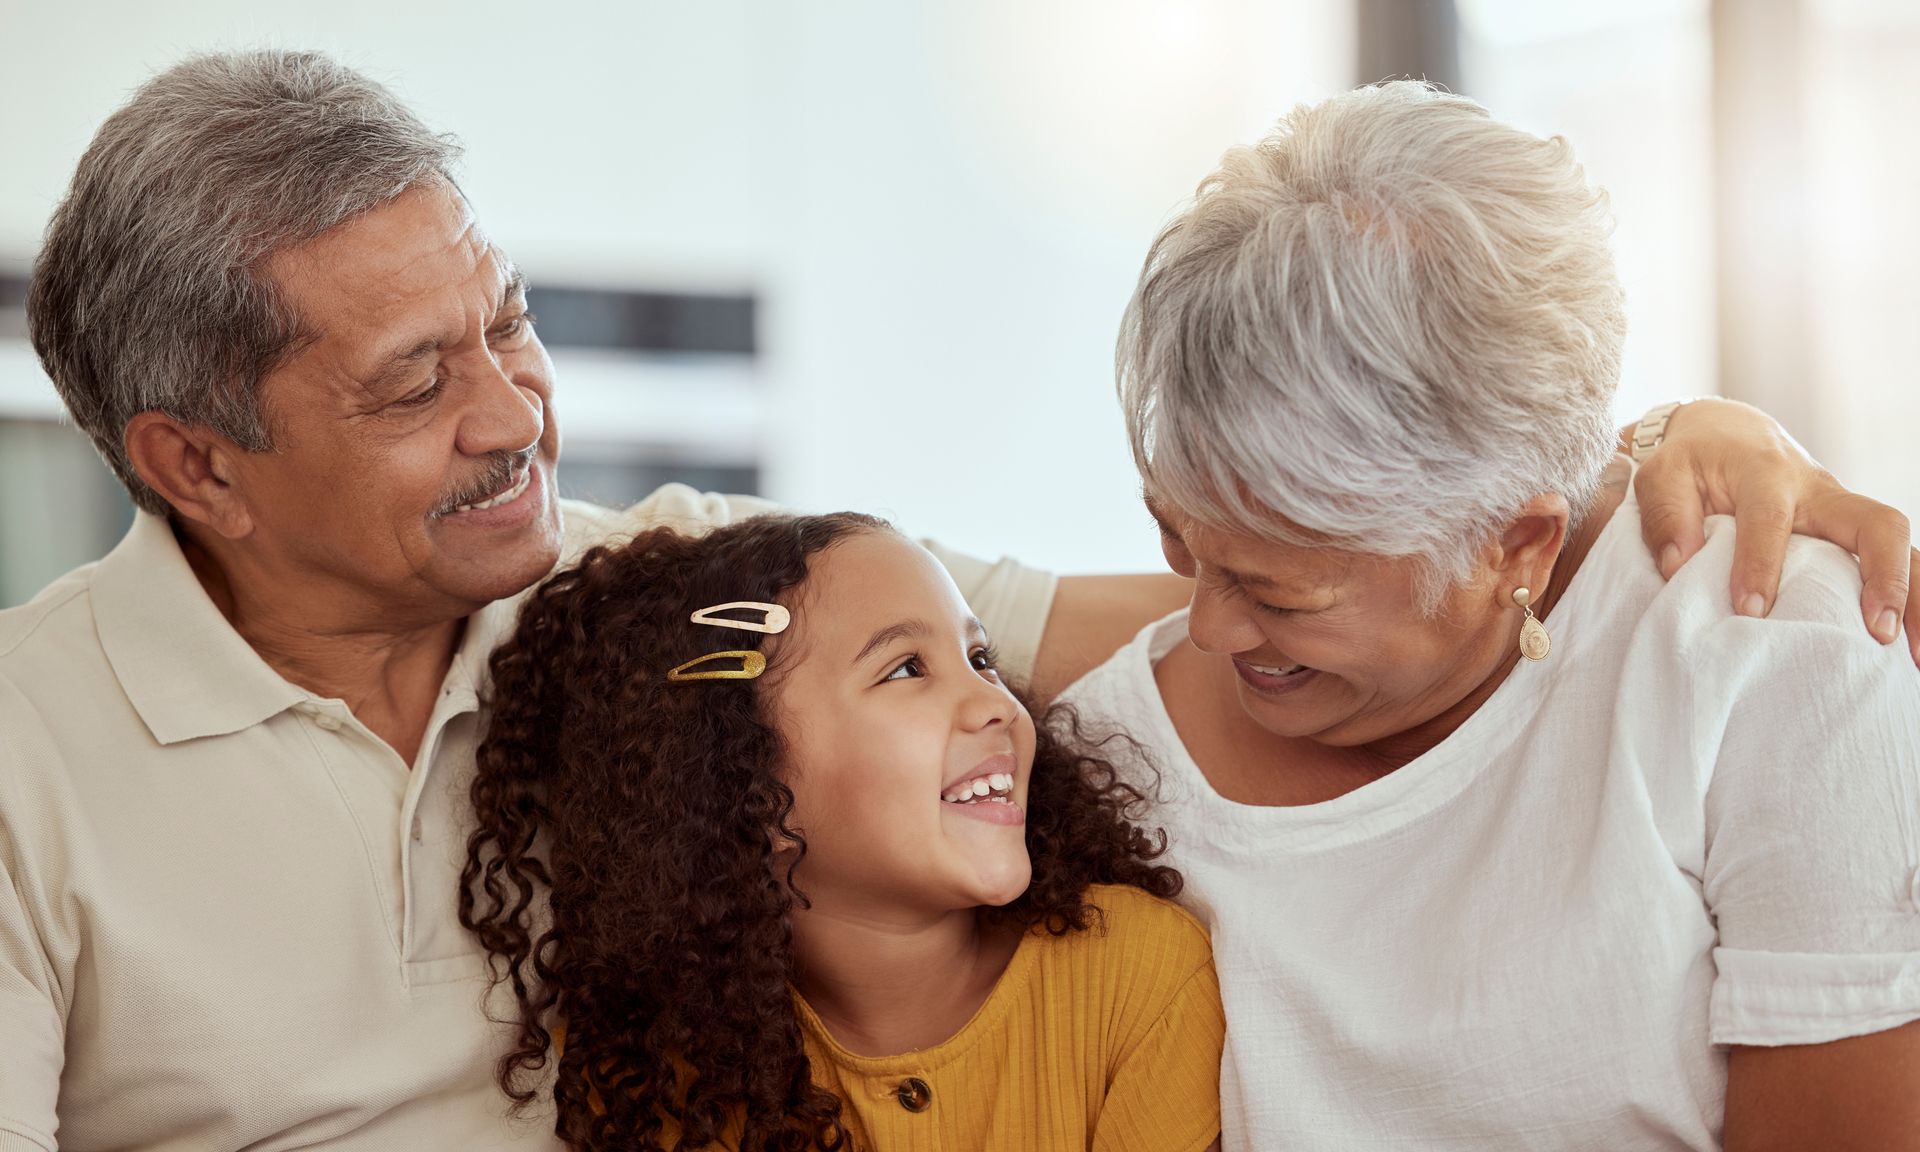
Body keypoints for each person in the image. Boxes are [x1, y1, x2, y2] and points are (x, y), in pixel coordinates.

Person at [0, 49, 1908, 1152]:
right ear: (192, 460)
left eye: (509, 323)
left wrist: (1665, 435)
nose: (517, 418)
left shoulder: (678, 598)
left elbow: (1234, 602)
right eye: (418, 384)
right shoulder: (30, 753)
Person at [1051, 80, 1920, 1150]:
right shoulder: (1099, 758)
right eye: (1180, 545)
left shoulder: (1770, 652)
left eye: (1279, 595)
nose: (1211, 628)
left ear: (1519, 544)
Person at [461, 513, 1224, 1151]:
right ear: (745, 788)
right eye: (904, 670)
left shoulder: (1139, 979)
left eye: (980, 658)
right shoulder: (648, 1075)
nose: (997, 703)